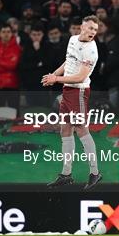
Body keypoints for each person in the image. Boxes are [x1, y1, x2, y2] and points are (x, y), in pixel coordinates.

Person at [42, 15, 102, 190]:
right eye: (90, 28)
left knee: (81, 129)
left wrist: (57, 78)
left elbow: (81, 77)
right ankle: (66, 174)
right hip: (67, 90)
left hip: (79, 91)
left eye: (95, 30)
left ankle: (95, 173)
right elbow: (68, 62)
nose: (93, 32)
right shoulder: (73, 39)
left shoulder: (91, 50)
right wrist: (53, 75)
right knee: (65, 129)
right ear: (81, 27)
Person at [0, 24, 21, 109]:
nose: (6, 34)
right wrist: (6, 63)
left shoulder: (18, 49)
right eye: (3, 32)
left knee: (14, 112)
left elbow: (13, 65)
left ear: (12, 34)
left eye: (8, 32)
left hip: (12, 85)